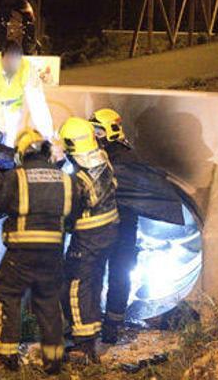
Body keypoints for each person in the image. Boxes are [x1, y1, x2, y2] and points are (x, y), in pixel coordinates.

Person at [0, 129, 91, 374]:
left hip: (20, 251)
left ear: (22, 153)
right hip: (52, 253)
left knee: (7, 294)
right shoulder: (65, 179)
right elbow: (75, 211)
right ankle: (54, 360)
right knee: (48, 301)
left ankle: (7, 355)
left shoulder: (16, 177)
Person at [57, 116, 119, 363]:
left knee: (75, 285)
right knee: (93, 282)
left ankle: (83, 347)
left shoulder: (78, 179)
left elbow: (69, 212)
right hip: (110, 231)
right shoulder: (103, 159)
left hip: (88, 237)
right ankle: (92, 336)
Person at [90, 108, 142, 344]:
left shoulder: (120, 159)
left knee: (114, 274)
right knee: (115, 274)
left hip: (117, 227)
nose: (95, 135)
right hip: (117, 228)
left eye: (99, 130)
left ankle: (110, 323)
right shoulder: (124, 156)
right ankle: (107, 323)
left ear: (110, 130)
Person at [0, 40, 53, 147]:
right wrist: (1, 133)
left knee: (9, 145)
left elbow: (38, 104)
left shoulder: (27, 68)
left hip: (12, 110)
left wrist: (48, 136)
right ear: (2, 58)